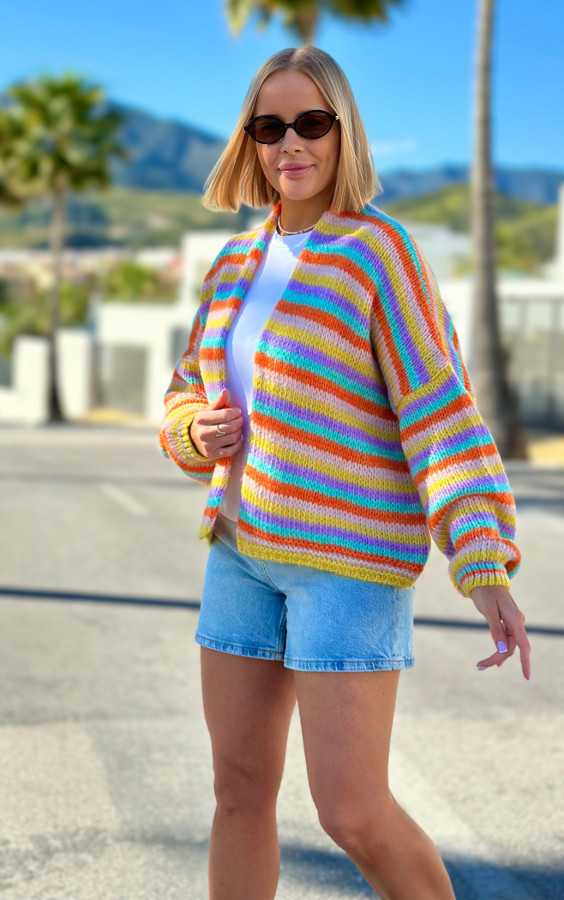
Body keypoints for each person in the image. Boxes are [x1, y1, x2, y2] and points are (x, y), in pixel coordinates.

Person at [159, 45, 531, 900]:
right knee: (237, 791)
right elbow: (183, 393)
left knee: (352, 813)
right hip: (238, 557)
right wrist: (193, 431)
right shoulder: (234, 263)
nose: (291, 143)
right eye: (270, 126)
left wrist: (482, 562)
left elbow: (438, 412)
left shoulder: (379, 253)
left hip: (349, 569)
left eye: (311, 122)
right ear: (250, 140)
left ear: (343, 131)